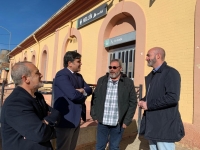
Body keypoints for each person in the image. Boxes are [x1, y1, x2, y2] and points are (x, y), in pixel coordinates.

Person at [1, 61, 60, 150]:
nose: (41, 75)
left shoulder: (38, 97)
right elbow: (40, 134)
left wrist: (45, 122)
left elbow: (56, 113)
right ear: (25, 79)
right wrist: (50, 128)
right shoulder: (16, 103)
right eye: (37, 73)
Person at [138, 47, 185, 150]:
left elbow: (172, 97)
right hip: (152, 125)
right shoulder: (152, 75)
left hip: (165, 126)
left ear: (158, 56)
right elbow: (153, 95)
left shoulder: (171, 73)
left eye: (148, 55)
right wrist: (143, 100)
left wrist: (148, 104)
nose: (146, 58)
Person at [90, 59, 137, 150]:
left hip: (118, 123)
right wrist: (94, 115)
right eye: (110, 67)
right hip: (103, 122)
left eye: (114, 67)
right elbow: (94, 99)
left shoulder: (128, 82)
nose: (112, 69)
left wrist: (126, 121)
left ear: (120, 68)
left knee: (114, 147)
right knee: (99, 146)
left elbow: (133, 102)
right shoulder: (102, 80)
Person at [53, 51, 92, 150]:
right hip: (65, 119)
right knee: (64, 147)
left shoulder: (79, 76)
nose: (81, 63)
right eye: (78, 61)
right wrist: (82, 93)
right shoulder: (62, 75)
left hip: (76, 118)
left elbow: (89, 89)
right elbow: (73, 95)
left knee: (72, 147)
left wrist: (82, 90)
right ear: (70, 63)